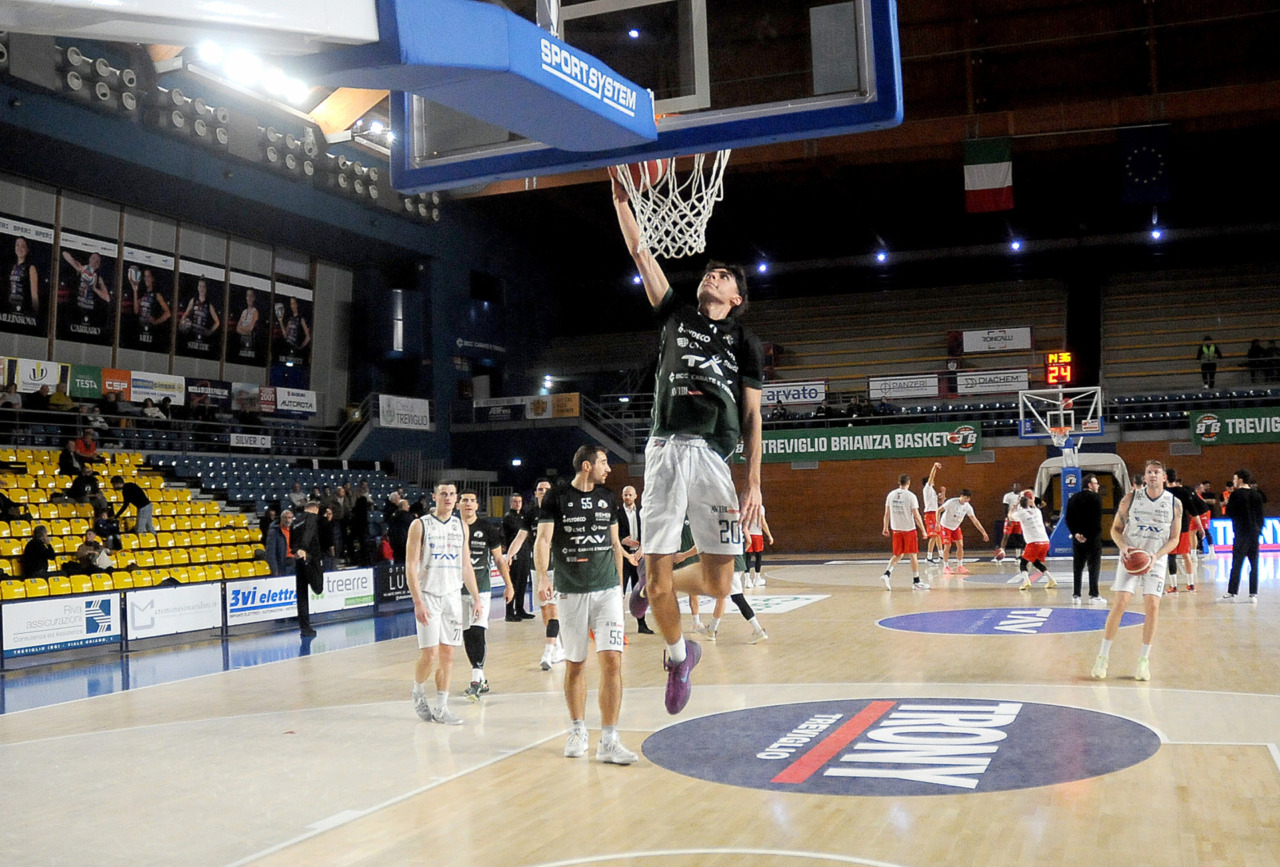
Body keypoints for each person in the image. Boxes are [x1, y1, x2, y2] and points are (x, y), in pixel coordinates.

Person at [613, 176, 765, 716]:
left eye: (723, 276)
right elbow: (641, 251)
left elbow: (753, 416)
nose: (711, 276)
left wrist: (754, 482)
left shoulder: (745, 342)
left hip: (715, 459)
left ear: (735, 298)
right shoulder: (675, 312)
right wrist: (621, 200)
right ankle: (680, 657)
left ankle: (659, 583)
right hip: (665, 450)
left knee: (721, 584)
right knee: (657, 590)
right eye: (709, 272)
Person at [535, 445, 638, 764]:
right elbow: (543, 540)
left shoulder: (608, 497)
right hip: (571, 592)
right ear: (586, 466)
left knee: (612, 662)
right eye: (603, 462)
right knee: (576, 664)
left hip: (607, 591)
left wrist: (619, 589)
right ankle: (578, 729)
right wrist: (542, 577)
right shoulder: (556, 497)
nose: (608, 468)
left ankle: (609, 739)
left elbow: (614, 544)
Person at [1092, 460, 1181, 682]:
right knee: (1120, 603)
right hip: (1130, 556)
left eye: (1156, 472)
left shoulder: (1174, 503)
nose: (1152, 475)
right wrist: (1123, 547)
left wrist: (1156, 556)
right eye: (1149, 472)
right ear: (1145, 476)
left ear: (1164, 477)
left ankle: (1144, 660)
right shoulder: (1130, 499)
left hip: (1156, 558)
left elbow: (1174, 538)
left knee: (1153, 606)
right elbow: (1115, 529)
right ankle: (1103, 656)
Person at [406, 481, 482, 726]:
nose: (448, 498)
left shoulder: (461, 526)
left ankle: (441, 707)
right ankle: (418, 690)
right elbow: (411, 565)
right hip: (428, 595)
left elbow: (465, 565)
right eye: (443, 494)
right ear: (434, 497)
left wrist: (476, 598)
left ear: (456, 498)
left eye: (451, 494)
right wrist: (417, 601)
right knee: (430, 654)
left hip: (452, 597)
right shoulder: (420, 525)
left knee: (448, 654)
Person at [458, 489, 513, 701]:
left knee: (477, 631)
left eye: (472, 500)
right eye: (464, 500)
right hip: (456, 591)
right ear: (458, 504)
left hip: (481, 589)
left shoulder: (487, 528)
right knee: (467, 634)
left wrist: (508, 585)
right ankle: (481, 678)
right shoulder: (452, 528)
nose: (468, 504)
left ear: (477, 505)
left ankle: (475, 678)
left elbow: (499, 559)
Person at [526, 479, 566, 669]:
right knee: (544, 610)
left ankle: (548, 652)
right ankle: (557, 646)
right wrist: (508, 556)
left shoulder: (560, 513)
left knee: (554, 608)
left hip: (556, 568)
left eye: (546, 489)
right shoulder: (531, 514)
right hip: (537, 569)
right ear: (535, 493)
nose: (543, 492)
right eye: (540, 489)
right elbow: (521, 536)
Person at [1219, 469, 1264, 603]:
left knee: (1237, 564)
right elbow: (1261, 516)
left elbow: (1229, 512)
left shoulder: (1236, 494)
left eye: (1234, 479)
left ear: (1240, 480)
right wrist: (1257, 530)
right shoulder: (1257, 494)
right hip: (1254, 534)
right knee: (1254, 564)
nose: (1233, 482)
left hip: (1241, 534)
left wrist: (1228, 504)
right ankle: (1253, 594)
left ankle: (1231, 593)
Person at [881, 473, 929, 591]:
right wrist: (923, 530)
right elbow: (916, 515)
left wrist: (885, 528)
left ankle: (887, 574)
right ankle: (916, 581)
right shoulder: (911, 496)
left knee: (898, 554)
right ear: (908, 483)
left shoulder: (891, 495)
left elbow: (887, 513)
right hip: (908, 529)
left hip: (896, 529)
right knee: (913, 554)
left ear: (899, 482)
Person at [1065, 473, 1105, 606]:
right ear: (1090, 485)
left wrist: (1076, 533)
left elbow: (1068, 518)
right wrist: (1089, 535)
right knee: (1094, 567)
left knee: (1078, 567)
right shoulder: (1096, 498)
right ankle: (1094, 595)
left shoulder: (1073, 498)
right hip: (1093, 538)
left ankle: (1076, 595)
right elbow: (1096, 519)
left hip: (1077, 538)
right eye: (1096, 483)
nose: (1098, 486)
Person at [617, 484, 652, 633]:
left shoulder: (643, 513)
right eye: (625, 495)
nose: (627, 497)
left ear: (636, 496)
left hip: (639, 557)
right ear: (622, 496)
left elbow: (648, 533)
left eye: (630, 494)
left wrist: (642, 548)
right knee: (620, 592)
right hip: (624, 557)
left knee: (640, 592)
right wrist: (622, 541)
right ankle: (619, 625)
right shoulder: (617, 513)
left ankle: (642, 624)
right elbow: (612, 535)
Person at [289, 501, 326, 637]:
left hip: (299, 559)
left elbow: (292, 542)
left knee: (302, 594)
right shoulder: (311, 517)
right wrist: (303, 549)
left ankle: (305, 628)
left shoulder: (295, 521)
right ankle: (305, 628)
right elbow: (309, 533)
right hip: (310, 557)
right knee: (318, 587)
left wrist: (296, 551)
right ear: (315, 509)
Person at [1008, 494, 1058, 590]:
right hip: (1045, 542)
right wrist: (1032, 500)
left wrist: (1015, 505)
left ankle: (1026, 581)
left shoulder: (1020, 513)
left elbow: (1010, 515)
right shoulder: (1037, 511)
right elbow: (1034, 506)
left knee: (1023, 563)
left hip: (1034, 542)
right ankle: (1051, 579)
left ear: (1020, 505)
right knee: (1035, 562)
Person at [938, 490, 990, 574]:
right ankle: (946, 566)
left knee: (960, 545)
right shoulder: (951, 502)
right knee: (947, 546)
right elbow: (938, 510)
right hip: (945, 526)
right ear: (961, 496)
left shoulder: (967, 506)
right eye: (966, 498)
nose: (967, 500)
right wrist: (937, 523)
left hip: (955, 526)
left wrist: (983, 532)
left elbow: (975, 520)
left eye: (968, 498)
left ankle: (960, 566)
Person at [1162, 468, 1196, 592]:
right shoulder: (1184, 491)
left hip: (1169, 527)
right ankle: (1191, 584)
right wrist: (1201, 526)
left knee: (1171, 556)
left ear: (1165, 477)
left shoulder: (1163, 492)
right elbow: (1193, 510)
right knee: (1186, 555)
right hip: (1184, 526)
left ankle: (1173, 586)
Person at [501, 493, 533, 621]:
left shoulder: (522, 516)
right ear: (510, 503)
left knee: (522, 582)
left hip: (525, 553)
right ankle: (509, 612)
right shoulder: (508, 517)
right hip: (514, 555)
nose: (518, 504)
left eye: (519, 501)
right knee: (513, 582)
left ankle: (520, 609)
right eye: (515, 501)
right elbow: (520, 531)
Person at [61, 249, 111, 325]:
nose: (94, 261)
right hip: (77, 308)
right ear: (89, 259)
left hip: (90, 310)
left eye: (97, 260)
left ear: (98, 265)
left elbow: (107, 298)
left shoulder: (98, 278)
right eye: (92, 258)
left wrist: (95, 289)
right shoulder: (81, 269)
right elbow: (65, 254)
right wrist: (78, 266)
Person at [128, 266, 170, 344]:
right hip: (140, 329)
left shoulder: (157, 295)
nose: (146, 279)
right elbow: (136, 311)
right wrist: (135, 290)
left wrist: (156, 322)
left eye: (149, 276)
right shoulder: (143, 294)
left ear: (153, 278)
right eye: (145, 276)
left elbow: (168, 313)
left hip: (152, 332)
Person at [742, 503, 774, 588]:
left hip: (747, 534)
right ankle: (757, 578)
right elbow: (763, 522)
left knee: (747, 557)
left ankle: (747, 580)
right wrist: (769, 535)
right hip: (757, 534)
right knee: (758, 557)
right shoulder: (760, 507)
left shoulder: (745, 506)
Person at [9, 236, 40, 316]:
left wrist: (35, 314)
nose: (19, 248)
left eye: (23, 246)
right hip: (11, 306)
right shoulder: (13, 267)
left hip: (24, 309)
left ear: (27, 249)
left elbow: (34, 295)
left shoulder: (31, 268)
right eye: (17, 245)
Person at [921, 463, 943, 565]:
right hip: (929, 514)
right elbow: (932, 476)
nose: (933, 480)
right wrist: (934, 467)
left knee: (938, 535)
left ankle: (941, 555)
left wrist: (941, 494)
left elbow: (940, 502)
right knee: (933, 536)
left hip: (935, 513)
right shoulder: (927, 487)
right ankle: (928, 557)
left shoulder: (932, 491)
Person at [999, 482, 1025, 560]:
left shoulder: (1023, 496)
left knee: (1018, 537)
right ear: (1012, 488)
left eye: (1018, 487)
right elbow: (1005, 508)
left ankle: (1018, 555)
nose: (1017, 488)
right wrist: (1007, 518)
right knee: (1006, 536)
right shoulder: (1008, 496)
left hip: (1019, 519)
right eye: (1015, 487)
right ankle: (1001, 552)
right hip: (1010, 518)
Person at [266, 509, 294, 577]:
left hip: (295, 562)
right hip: (282, 563)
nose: (287, 520)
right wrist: (274, 569)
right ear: (281, 518)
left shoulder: (295, 529)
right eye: (285, 517)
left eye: (289, 518)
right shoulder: (274, 531)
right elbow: (270, 552)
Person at [235, 287, 260, 353]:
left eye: (251, 296)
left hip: (249, 341)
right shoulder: (244, 311)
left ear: (254, 298)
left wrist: (241, 328)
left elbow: (250, 328)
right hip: (242, 339)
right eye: (247, 296)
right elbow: (237, 328)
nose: (249, 298)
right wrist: (246, 332)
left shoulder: (255, 311)